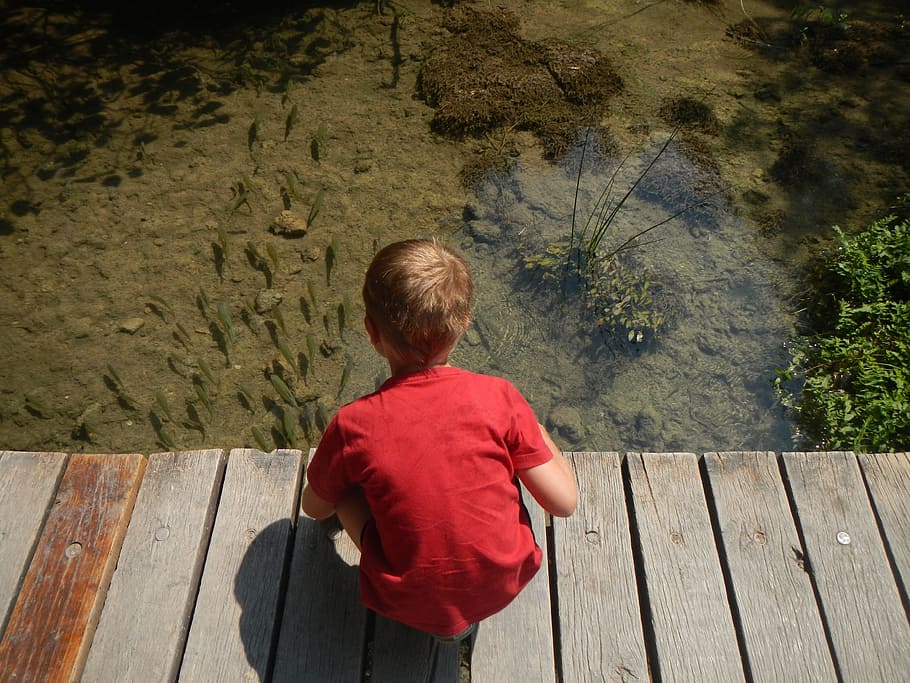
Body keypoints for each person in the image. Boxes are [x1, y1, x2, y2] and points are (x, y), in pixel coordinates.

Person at [300, 238, 577, 645]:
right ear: (464, 323)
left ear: (371, 331)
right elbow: (564, 503)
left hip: (407, 596)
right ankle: (460, 621)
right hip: (502, 582)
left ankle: (441, 618)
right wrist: (529, 423)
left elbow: (312, 506)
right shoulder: (499, 396)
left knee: (343, 487)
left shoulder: (353, 423)